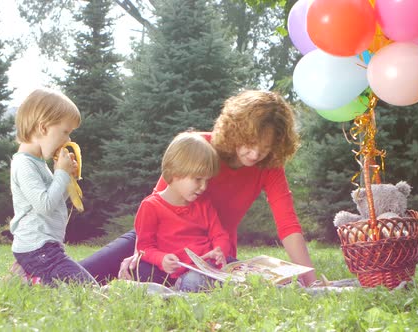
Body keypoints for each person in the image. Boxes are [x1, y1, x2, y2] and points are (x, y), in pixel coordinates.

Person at [79, 90, 317, 286]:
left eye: (264, 148)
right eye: (250, 143)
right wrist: (142, 252)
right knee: (79, 276)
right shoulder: (199, 147)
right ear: (237, 130)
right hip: (159, 238)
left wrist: (309, 278)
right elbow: (160, 202)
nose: (255, 154)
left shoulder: (269, 166)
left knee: (197, 285)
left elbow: (288, 225)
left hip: (211, 249)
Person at [9, 88, 96, 286]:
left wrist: (66, 180)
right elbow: (45, 205)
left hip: (45, 247)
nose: (68, 141)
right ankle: (26, 277)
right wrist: (61, 174)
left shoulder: (37, 162)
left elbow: (53, 200)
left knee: (67, 284)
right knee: (87, 287)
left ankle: (27, 277)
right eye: (65, 132)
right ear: (43, 128)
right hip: (37, 249)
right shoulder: (24, 164)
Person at [133, 132, 231, 292]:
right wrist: (161, 259)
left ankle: (182, 289)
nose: (204, 187)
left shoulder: (204, 204)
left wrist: (220, 249)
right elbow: (144, 247)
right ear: (175, 173)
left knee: (235, 267)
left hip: (204, 266)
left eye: (207, 180)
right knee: (143, 271)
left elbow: (220, 235)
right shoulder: (151, 206)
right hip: (171, 269)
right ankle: (181, 289)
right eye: (198, 179)